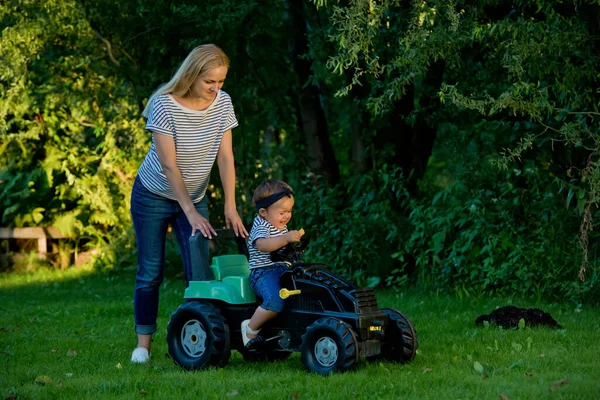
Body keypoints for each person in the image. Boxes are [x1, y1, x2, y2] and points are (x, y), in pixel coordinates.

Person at [130, 44, 248, 363]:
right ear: (193, 74)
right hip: (153, 195)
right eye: (210, 81)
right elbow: (169, 166)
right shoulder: (163, 105)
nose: (216, 88)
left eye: (221, 81)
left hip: (194, 197)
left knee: (199, 272)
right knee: (150, 271)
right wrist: (191, 212)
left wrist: (230, 205)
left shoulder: (223, 103)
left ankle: (198, 339)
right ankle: (143, 345)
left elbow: (225, 157)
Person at [241, 179, 304, 348]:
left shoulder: (279, 224)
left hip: (281, 269)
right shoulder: (262, 225)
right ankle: (250, 329)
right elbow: (263, 245)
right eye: (282, 212)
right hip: (262, 273)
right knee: (275, 299)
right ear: (263, 211)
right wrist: (285, 238)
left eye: (289, 211)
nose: (287, 216)